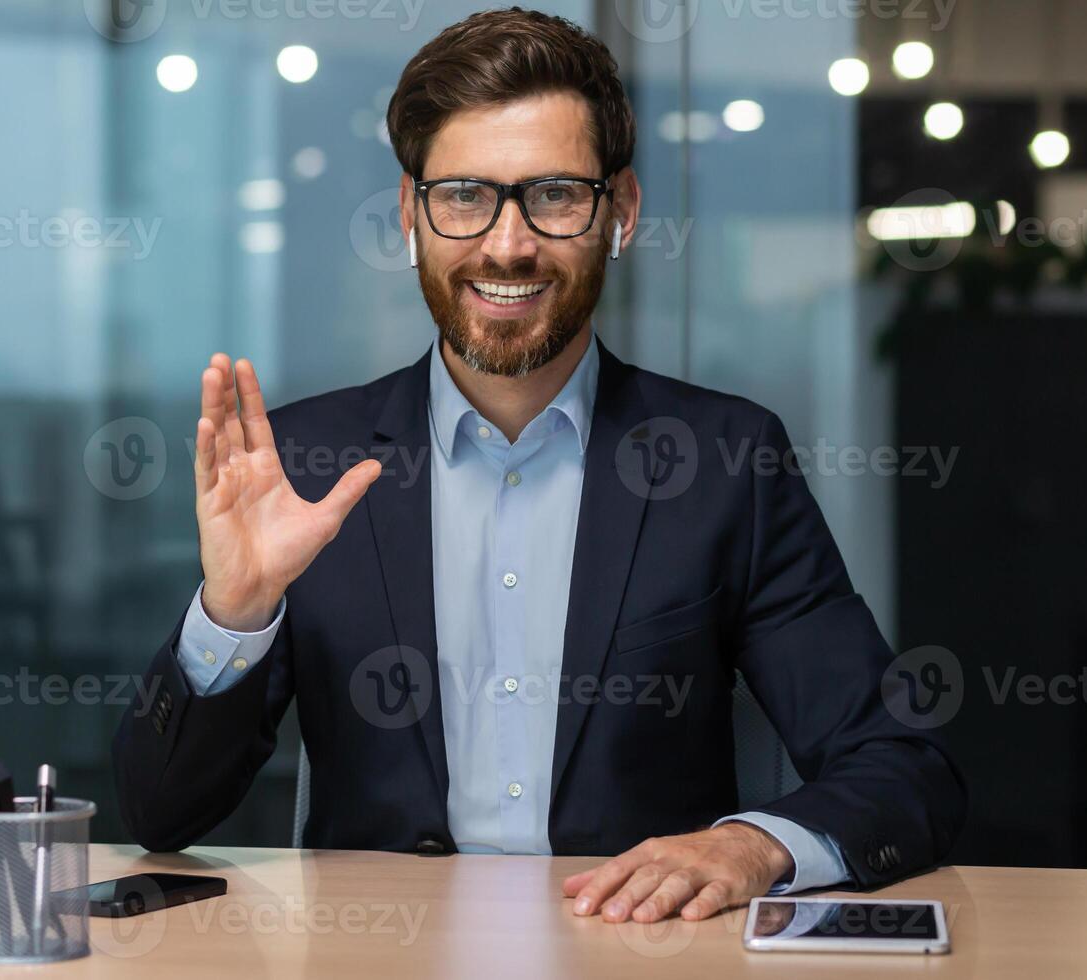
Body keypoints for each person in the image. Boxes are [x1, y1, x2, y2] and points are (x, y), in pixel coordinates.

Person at [113, 6, 965, 925]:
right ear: (411, 214)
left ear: (621, 211)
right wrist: (234, 612)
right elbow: (162, 815)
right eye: (465, 196)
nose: (508, 242)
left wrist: (753, 844)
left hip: (638, 954)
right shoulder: (309, 465)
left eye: (555, 194)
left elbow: (904, 765)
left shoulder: (727, 463)